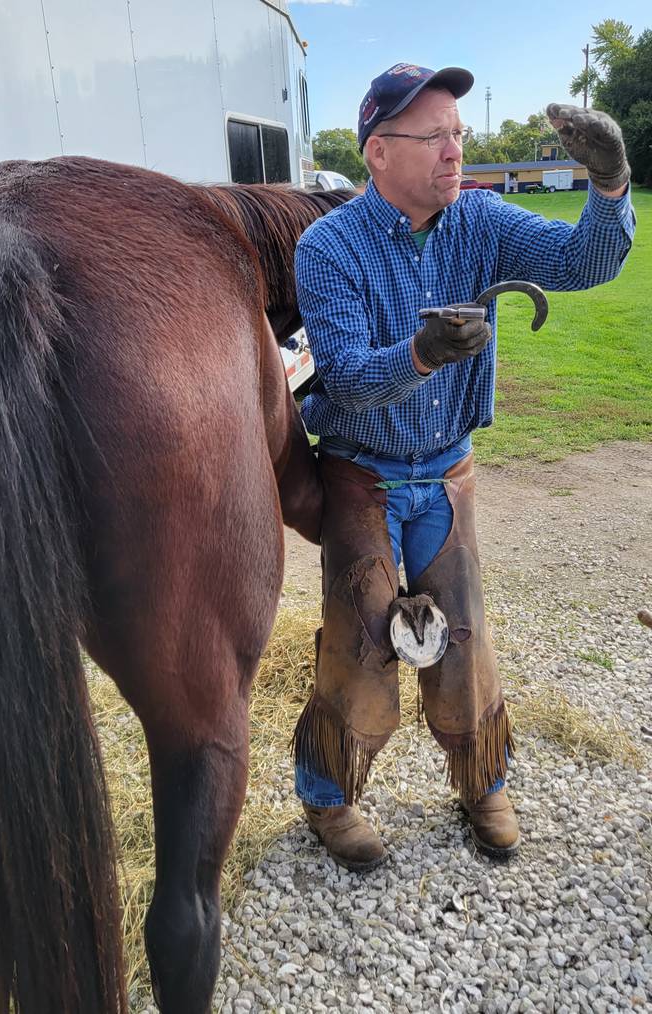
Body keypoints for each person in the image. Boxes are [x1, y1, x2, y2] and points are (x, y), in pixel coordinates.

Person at [292, 62, 636, 870]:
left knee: (466, 637)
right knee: (363, 641)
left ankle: (483, 779)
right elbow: (341, 376)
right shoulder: (328, 247)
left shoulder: (480, 221)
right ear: (378, 153)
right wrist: (420, 352)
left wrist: (612, 184)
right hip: (360, 473)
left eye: (459, 134)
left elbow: (585, 262)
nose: (455, 152)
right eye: (435, 137)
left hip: (447, 469)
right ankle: (331, 798)